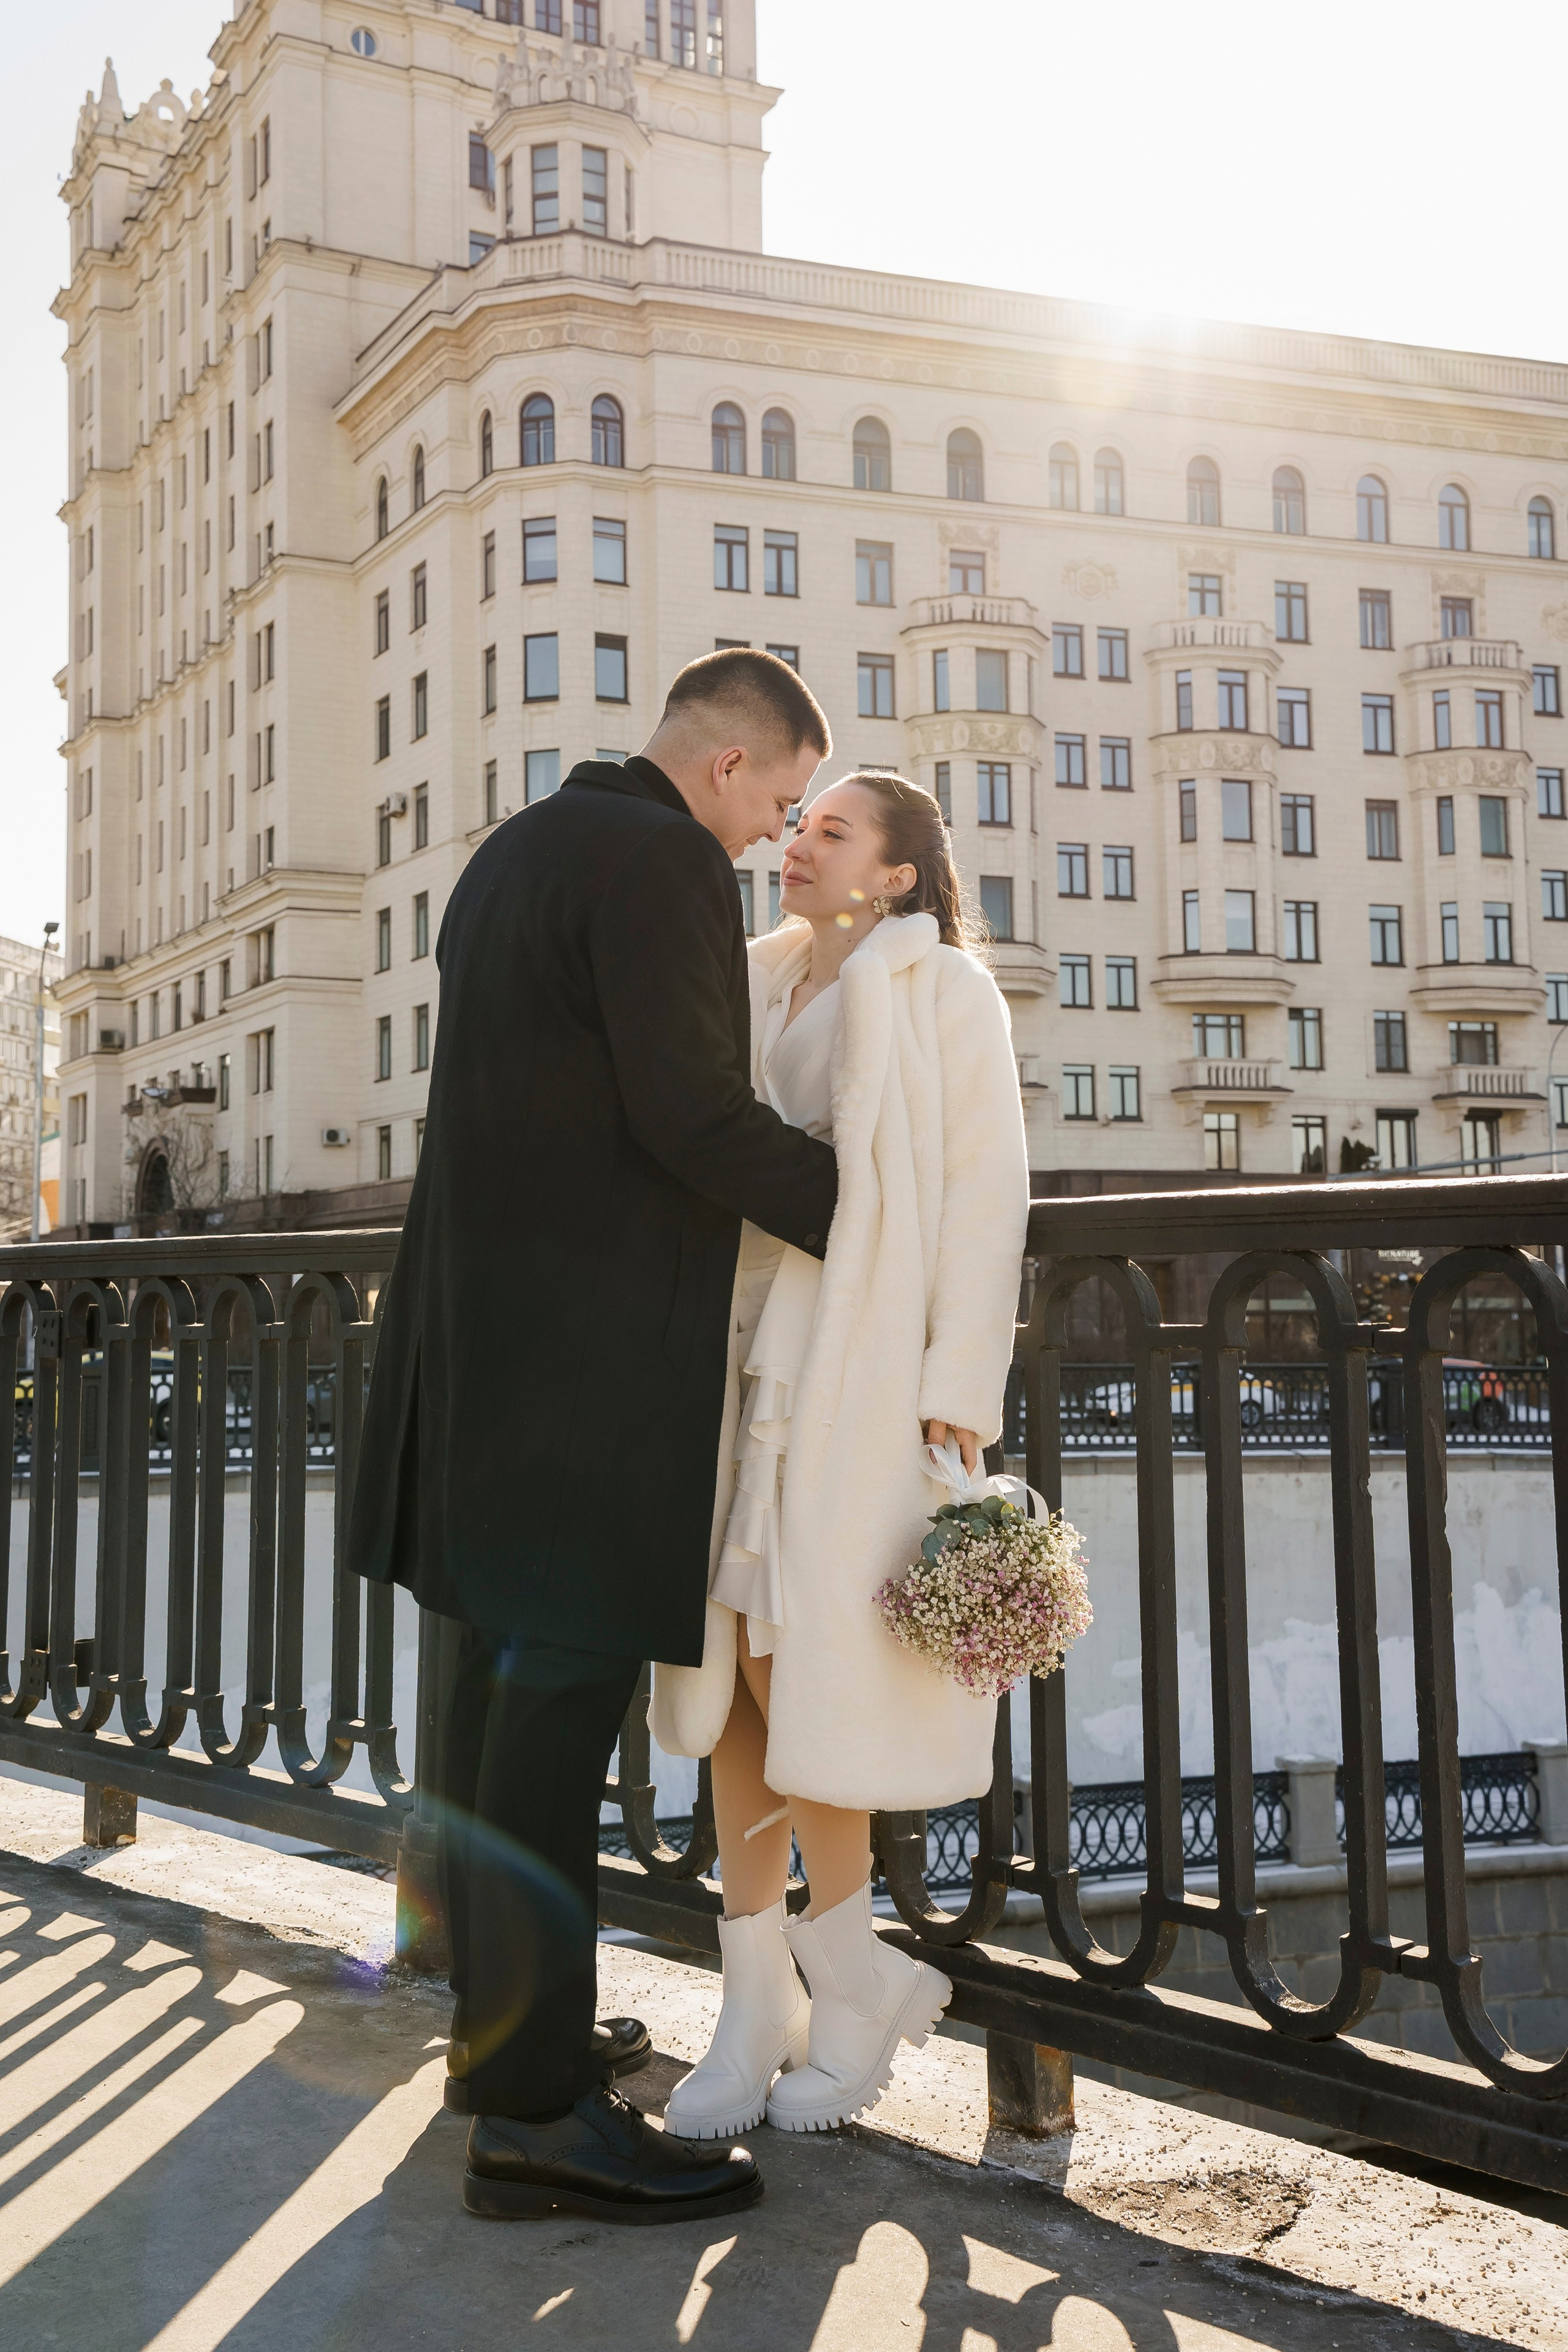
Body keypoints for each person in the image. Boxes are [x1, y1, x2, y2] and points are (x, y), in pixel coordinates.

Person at [346, 650, 840, 2224]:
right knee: (551, 1728)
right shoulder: (662, 864)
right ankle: (538, 2124)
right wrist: (875, 1219)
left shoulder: (521, 848)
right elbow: (688, 1112)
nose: (774, 836)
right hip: (580, 1366)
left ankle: (507, 2048)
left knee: (500, 1722)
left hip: (476, 1348)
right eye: (775, 798)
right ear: (726, 767)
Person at [652, 771, 1030, 2139]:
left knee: (788, 1653)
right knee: (725, 1676)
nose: (798, 846)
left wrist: (956, 1386)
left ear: (897, 875)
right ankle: (760, 2003)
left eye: (833, 834)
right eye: (796, 826)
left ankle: (850, 1973)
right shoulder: (749, 975)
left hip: (858, 1367)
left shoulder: (945, 991)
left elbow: (988, 1192)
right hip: (736, 1348)